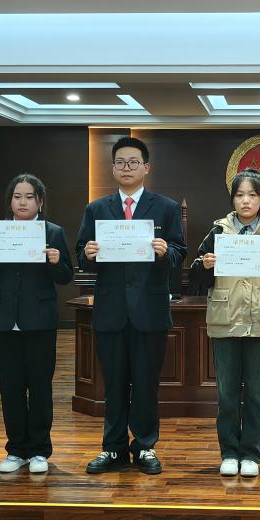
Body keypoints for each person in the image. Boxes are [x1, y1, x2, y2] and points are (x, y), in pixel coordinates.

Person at [76, 137, 187, 475]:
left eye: (133, 162)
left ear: (146, 168)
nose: (127, 168)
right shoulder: (97, 209)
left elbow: (180, 253)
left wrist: (166, 251)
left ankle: (144, 446)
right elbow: (81, 254)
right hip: (111, 310)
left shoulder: (166, 208)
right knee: (113, 384)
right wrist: (88, 254)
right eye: (121, 162)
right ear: (113, 168)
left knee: (145, 383)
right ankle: (113, 448)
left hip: (149, 311)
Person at [188, 169, 260, 478]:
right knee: (226, 393)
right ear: (232, 199)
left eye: (252, 195)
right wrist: (205, 265)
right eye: (240, 195)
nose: (246, 201)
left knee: (256, 393)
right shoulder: (217, 232)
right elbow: (196, 279)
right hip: (225, 319)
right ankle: (228, 453)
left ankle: (250, 453)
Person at [0, 173, 74, 475]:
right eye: (17, 196)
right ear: (10, 202)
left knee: (40, 388)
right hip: (6, 321)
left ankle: (40, 450)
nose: (22, 202)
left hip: (40, 321)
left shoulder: (53, 232)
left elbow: (66, 276)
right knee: (11, 388)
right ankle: (16, 449)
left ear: (40, 202)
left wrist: (55, 261)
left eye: (29, 196)